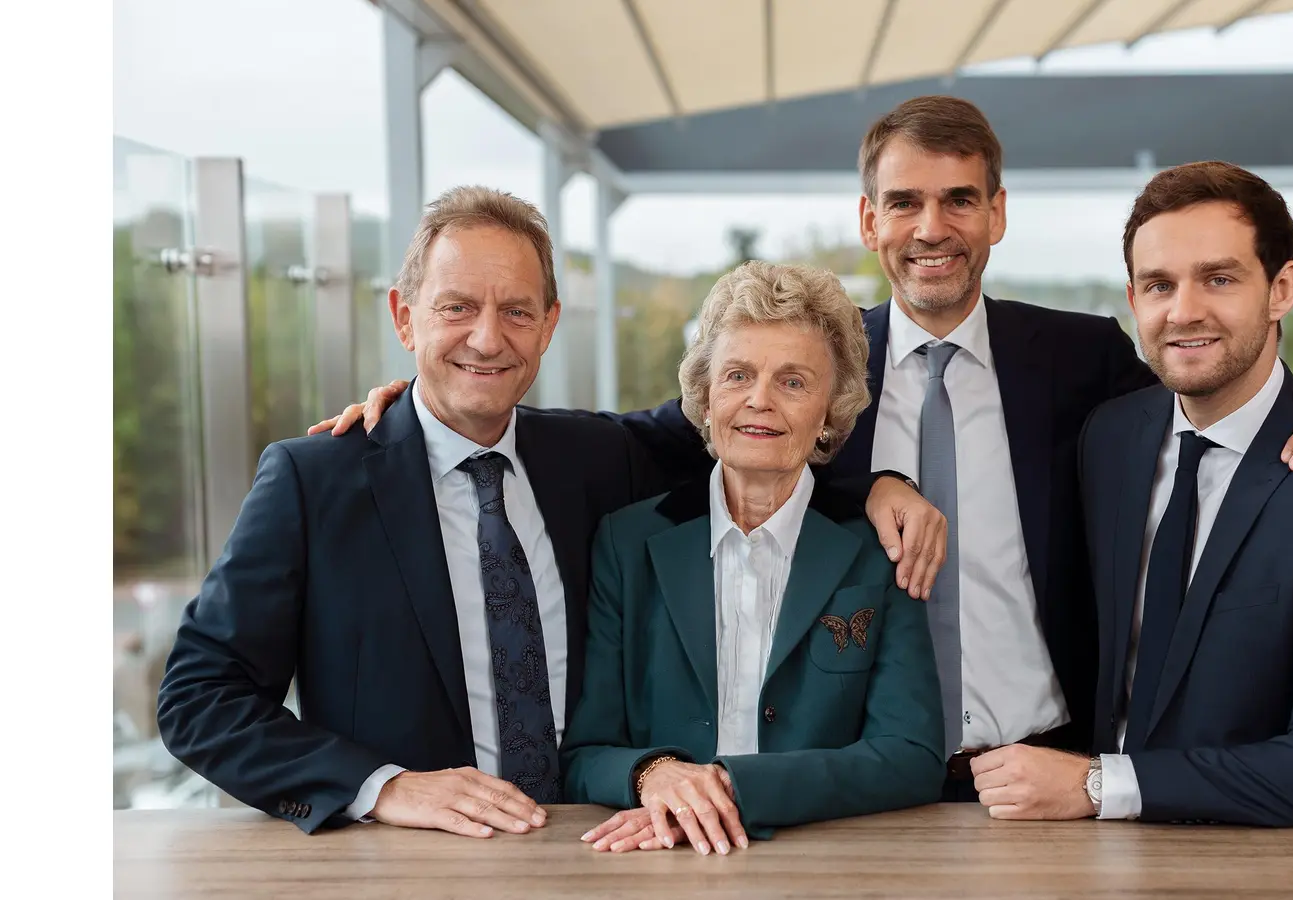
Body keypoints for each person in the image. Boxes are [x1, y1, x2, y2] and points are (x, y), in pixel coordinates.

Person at [313, 95, 1293, 803]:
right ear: (869, 220)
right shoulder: (807, 366)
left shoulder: (1082, 361)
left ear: (996, 214)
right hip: (877, 782)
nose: (933, 226)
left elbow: (1211, 388)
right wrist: (422, 400)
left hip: (1056, 765)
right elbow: (639, 435)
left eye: (959, 199)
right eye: (905, 203)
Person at [157, 186, 936, 837]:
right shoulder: (313, 480)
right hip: (408, 868)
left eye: (517, 312)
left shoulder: (597, 460)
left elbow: (756, 433)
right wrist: (382, 786)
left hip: (594, 849)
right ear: (404, 317)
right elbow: (199, 699)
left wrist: (878, 485)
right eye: (456, 307)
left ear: (550, 325)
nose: (486, 339)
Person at [968, 161, 1293, 826]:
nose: (1183, 311)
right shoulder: (1112, 438)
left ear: (1282, 287)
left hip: (1259, 862)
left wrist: (1099, 785)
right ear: (1133, 301)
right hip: (1078, 855)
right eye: (1159, 284)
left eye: (1219, 278)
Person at [564, 261, 944, 856]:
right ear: (707, 400)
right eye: (737, 375)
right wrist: (652, 773)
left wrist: (731, 787)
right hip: (655, 856)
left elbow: (912, 757)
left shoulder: (879, 551)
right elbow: (586, 754)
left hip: (827, 860)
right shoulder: (627, 543)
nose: (759, 401)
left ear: (830, 412)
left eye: (793, 382)